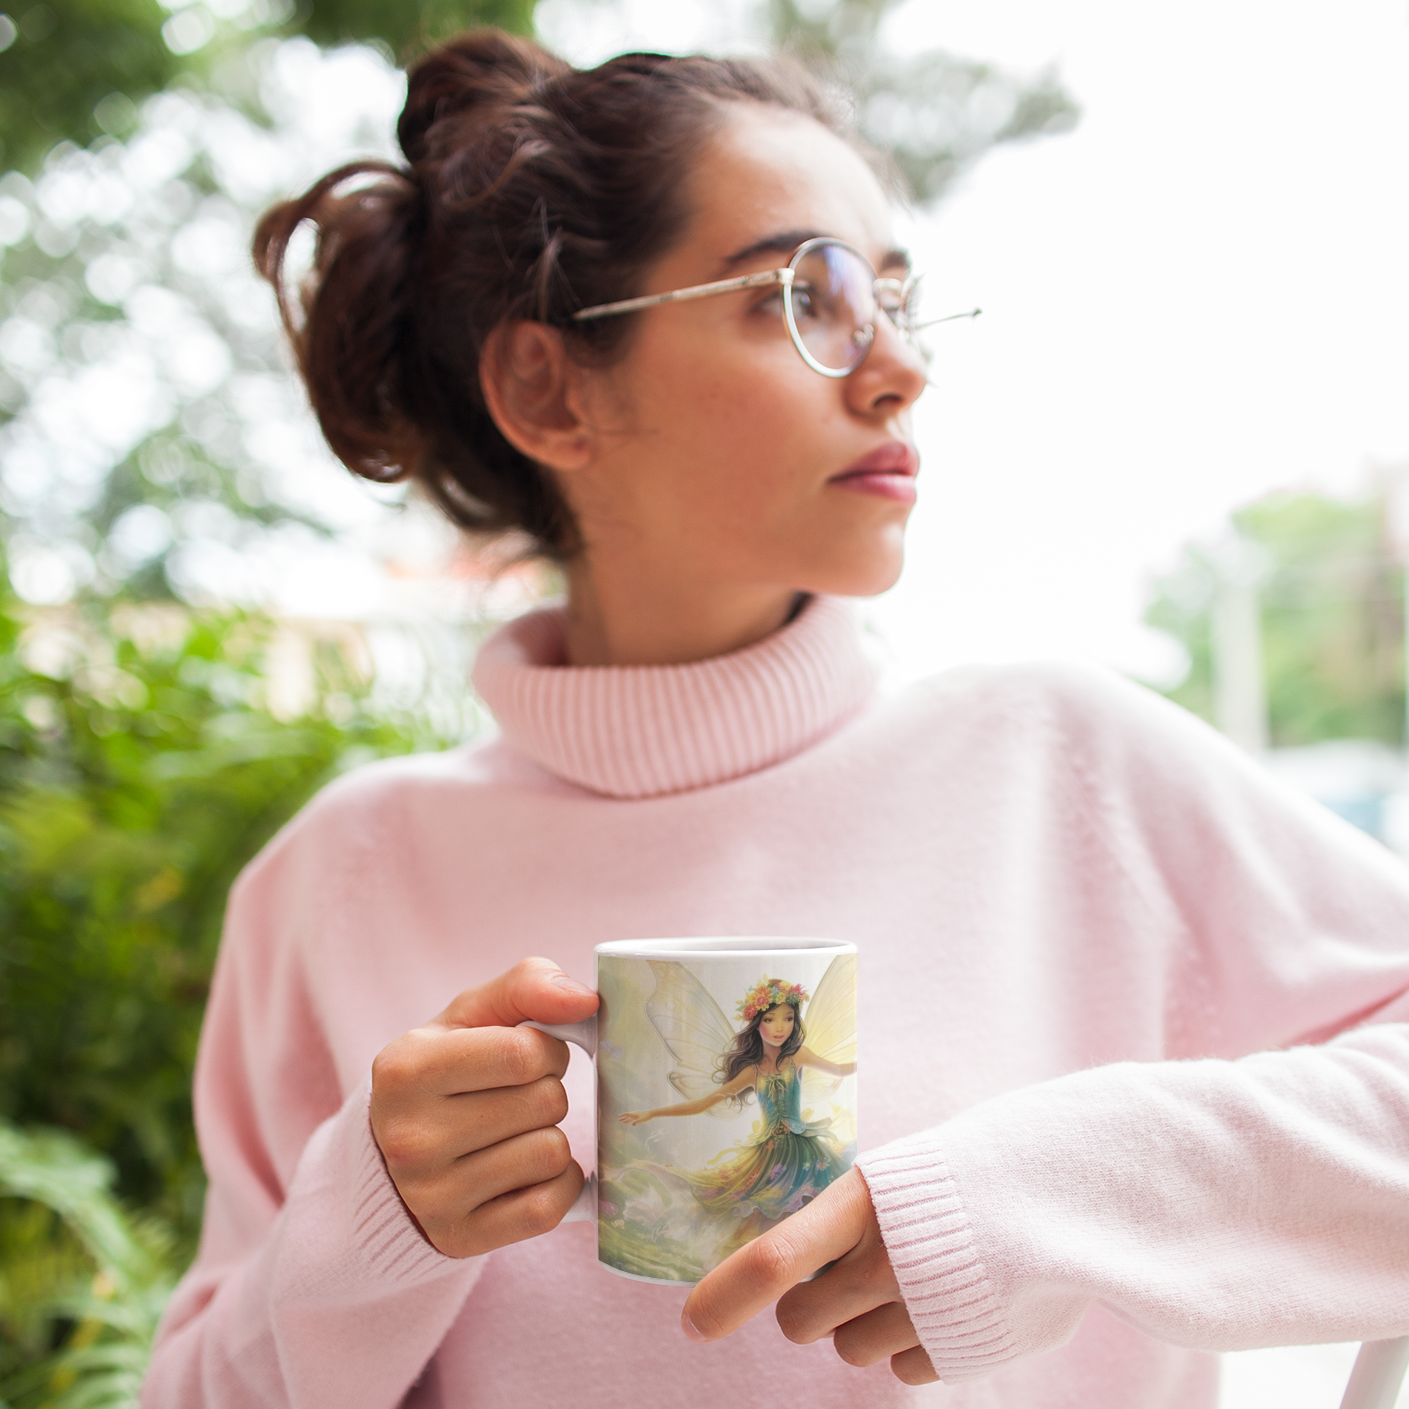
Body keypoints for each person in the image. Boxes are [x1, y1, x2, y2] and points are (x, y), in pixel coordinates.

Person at [141, 26, 1409, 1409]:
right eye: (803, 295)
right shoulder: (342, 877)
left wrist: (1046, 1194)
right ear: (547, 390)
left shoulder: (1066, 763)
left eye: (899, 302)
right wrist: (365, 1231)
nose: (899, 367)